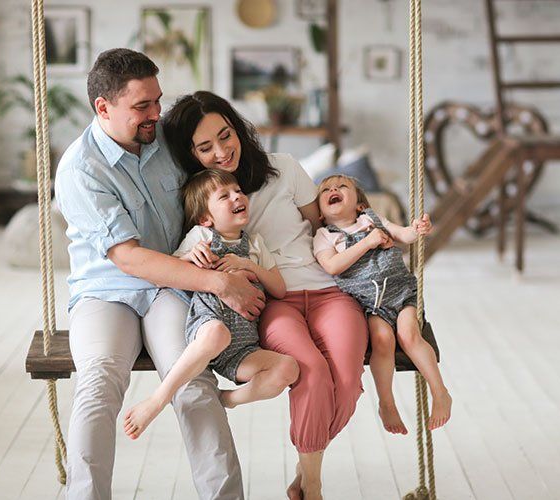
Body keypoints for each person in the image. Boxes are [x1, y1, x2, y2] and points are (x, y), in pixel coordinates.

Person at [54, 49, 261, 500]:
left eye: (158, 100)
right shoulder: (79, 170)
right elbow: (128, 258)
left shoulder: (163, 137)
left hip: (172, 286)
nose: (156, 114)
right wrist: (220, 282)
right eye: (142, 106)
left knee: (194, 382)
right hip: (106, 292)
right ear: (103, 107)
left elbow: (219, 158)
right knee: (99, 381)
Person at [163, 91, 368, 500]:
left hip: (328, 291)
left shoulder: (285, 168)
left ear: (237, 128)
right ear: (192, 154)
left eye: (226, 135)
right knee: (311, 371)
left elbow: (324, 228)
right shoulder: (206, 198)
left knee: (347, 383)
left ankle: (305, 472)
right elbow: (185, 258)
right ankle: (314, 489)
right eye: (205, 147)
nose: (222, 151)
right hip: (275, 303)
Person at [123, 169, 298, 440]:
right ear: (206, 218)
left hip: (241, 348)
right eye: (224, 196)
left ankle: (227, 399)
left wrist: (249, 265)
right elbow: (168, 272)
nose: (236, 197)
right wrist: (188, 257)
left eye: (238, 191)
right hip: (208, 325)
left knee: (288, 368)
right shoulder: (201, 236)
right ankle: (157, 400)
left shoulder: (255, 244)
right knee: (218, 333)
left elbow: (279, 288)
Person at [313, 174, 452, 433]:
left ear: (360, 205)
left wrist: (416, 229)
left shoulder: (371, 219)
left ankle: (440, 392)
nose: (333, 189)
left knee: (409, 336)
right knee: (382, 339)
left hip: (401, 291)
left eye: (342, 186)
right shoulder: (324, 236)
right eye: (326, 190)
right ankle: (386, 403)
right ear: (320, 213)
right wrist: (368, 242)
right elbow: (332, 265)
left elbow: (403, 234)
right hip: (370, 303)